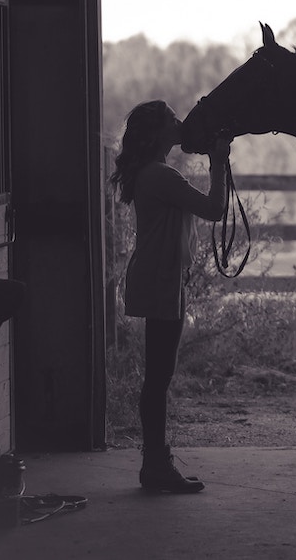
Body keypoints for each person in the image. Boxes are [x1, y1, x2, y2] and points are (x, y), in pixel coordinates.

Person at [109, 100, 231, 493]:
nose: (180, 123)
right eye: (173, 119)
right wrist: (218, 162)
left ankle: (155, 463)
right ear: (161, 132)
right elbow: (214, 209)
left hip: (159, 276)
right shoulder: (161, 175)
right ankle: (156, 465)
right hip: (161, 279)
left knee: (157, 377)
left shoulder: (152, 173)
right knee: (159, 377)